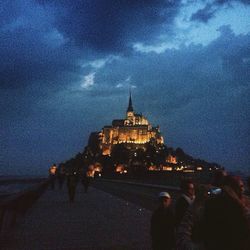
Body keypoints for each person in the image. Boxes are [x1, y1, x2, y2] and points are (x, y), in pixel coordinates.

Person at [202, 175, 250, 250]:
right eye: (239, 187)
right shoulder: (214, 205)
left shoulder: (246, 202)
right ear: (229, 189)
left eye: (242, 186)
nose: (242, 190)